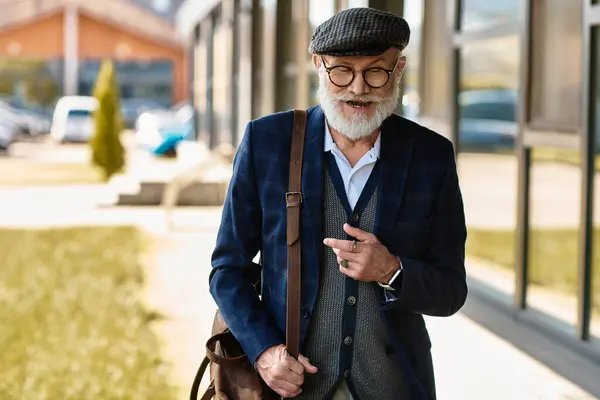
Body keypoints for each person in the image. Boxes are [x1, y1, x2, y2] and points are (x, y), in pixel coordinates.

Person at [210, 7, 467, 400]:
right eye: (342, 70)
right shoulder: (267, 142)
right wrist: (264, 351)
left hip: (394, 388)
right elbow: (227, 270)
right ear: (318, 65)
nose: (358, 88)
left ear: (398, 70)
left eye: (375, 71)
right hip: (291, 389)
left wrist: (393, 271)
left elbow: (451, 290)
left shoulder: (431, 156)